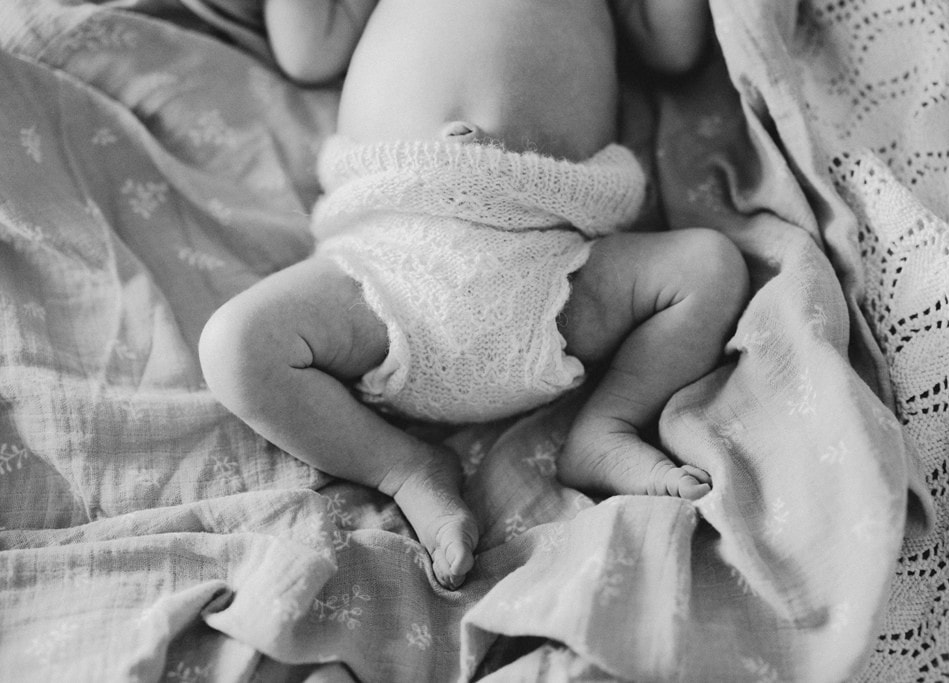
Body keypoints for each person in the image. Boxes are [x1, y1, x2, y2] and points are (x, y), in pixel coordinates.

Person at [198, 0, 749, 590]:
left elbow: (673, 47)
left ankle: (607, 425)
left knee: (709, 267)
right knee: (236, 345)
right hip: (387, 264)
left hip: (552, 263)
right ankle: (402, 468)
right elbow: (309, 52)